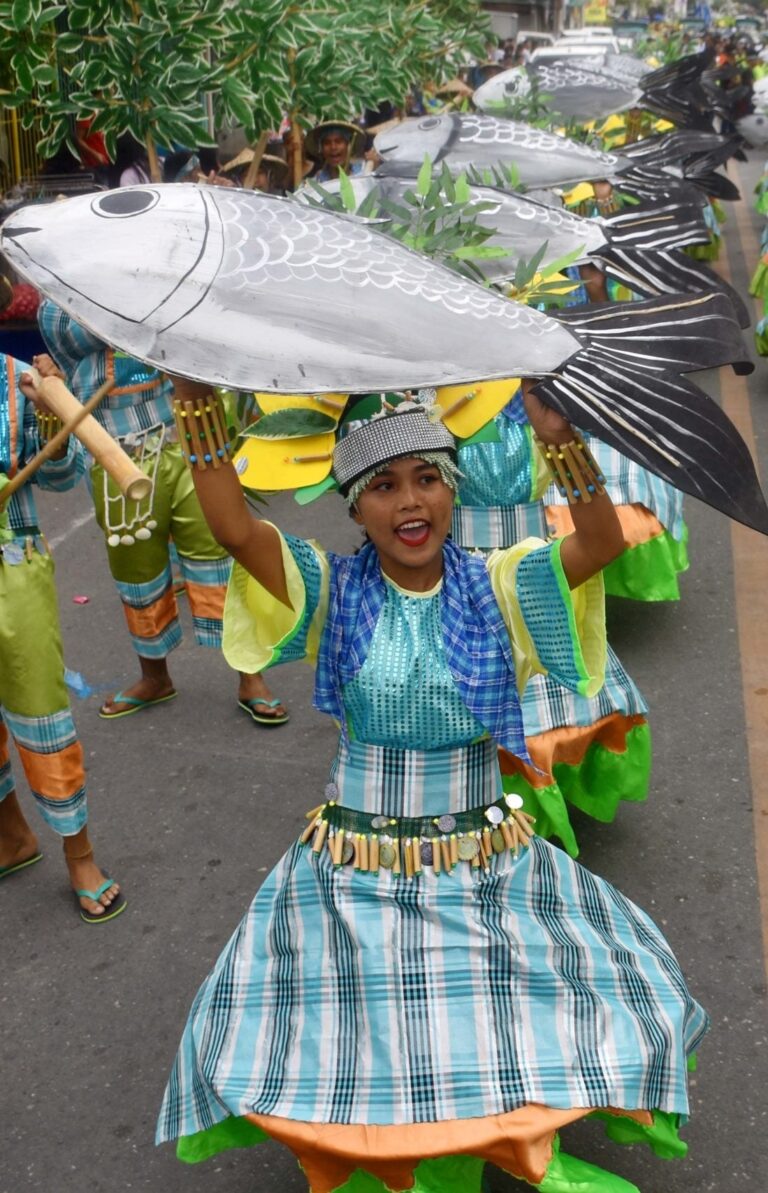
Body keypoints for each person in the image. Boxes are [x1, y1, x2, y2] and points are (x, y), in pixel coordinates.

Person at [156, 380, 707, 1193]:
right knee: (371, 1055)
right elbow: (235, 529)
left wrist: (561, 437)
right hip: (356, 867)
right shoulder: (330, 589)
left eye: (426, 477)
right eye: (382, 485)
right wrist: (198, 401)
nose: (409, 502)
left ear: (452, 486)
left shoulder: (501, 584)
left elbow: (598, 542)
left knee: (502, 1033)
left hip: (482, 853)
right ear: (353, 506)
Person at [35, 303, 288, 726]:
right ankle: (154, 677)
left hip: (183, 443)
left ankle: (251, 676)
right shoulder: (60, 296)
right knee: (137, 572)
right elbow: (74, 338)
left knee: (219, 561)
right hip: (116, 458)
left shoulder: (148, 279)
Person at [0, 352, 125, 922]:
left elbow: (60, 475)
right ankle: (13, 837)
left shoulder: (15, 379)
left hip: (10, 568)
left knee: (39, 712)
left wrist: (48, 413)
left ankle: (80, 855)